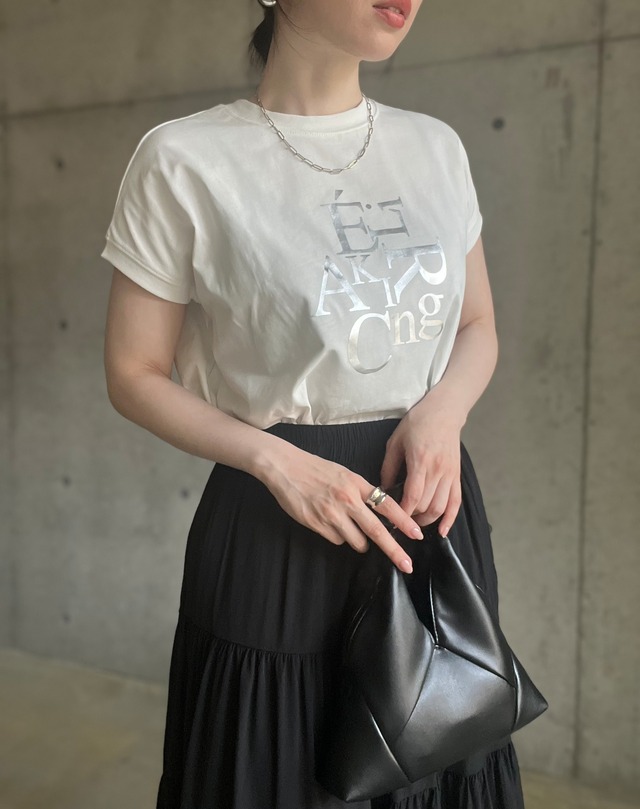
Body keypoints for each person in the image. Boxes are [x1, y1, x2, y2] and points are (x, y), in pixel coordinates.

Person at [100, 0, 527, 806]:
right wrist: (277, 462)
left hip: (427, 507)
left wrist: (443, 412)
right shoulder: (184, 159)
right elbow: (133, 372)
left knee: (438, 747)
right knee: (271, 768)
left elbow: (478, 325)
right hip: (275, 521)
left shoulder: (435, 148)